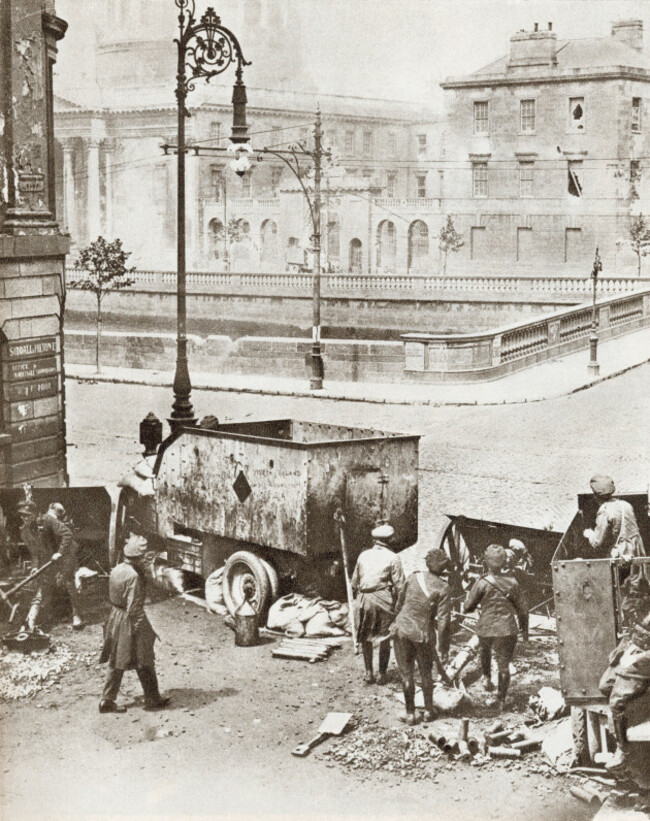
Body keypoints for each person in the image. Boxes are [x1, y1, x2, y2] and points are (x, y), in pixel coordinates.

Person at [99, 534, 170, 714]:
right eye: (147, 557)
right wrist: (144, 631)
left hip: (115, 616)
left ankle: (107, 700)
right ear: (139, 557)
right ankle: (152, 698)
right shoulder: (134, 577)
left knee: (117, 658)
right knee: (144, 657)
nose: (149, 560)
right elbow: (135, 608)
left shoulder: (117, 569)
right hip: (129, 619)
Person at [390, 548, 452, 725]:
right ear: (443, 567)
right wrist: (443, 648)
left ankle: (410, 714)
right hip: (422, 635)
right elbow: (444, 622)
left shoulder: (412, 577)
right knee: (426, 674)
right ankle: (429, 711)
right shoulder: (444, 588)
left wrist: (398, 622)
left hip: (402, 629)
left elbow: (399, 603)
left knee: (406, 674)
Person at [464, 544, 528, 710]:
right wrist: (525, 631)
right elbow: (523, 610)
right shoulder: (513, 583)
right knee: (504, 665)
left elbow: (468, 607)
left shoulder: (482, 583)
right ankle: (501, 699)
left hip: (486, 627)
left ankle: (486, 678)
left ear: (486, 562)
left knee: (484, 651)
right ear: (504, 562)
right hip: (507, 629)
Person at [584, 474, 650, 627]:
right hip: (637, 552)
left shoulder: (604, 510)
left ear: (596, 495)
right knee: (634, 590)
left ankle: (620, 623)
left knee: (618, 592)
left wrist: (589, 535)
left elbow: (598, 543)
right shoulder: (626, 505)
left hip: (621, 558)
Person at [351, 522, 405, 685]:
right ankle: (382, 674)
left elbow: (354, 582)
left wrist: (358, 600)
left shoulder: (363, 555)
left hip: (365, 599)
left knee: (365, 637)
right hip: (384, 600)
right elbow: (400, 586)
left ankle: (369, 673)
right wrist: (400, 606)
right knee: (384, 638)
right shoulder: (393, 557)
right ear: (388, 540)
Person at [599, 611, 650, 772]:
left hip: (645, 658)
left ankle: (623, 751)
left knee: (616, 701)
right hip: (636, 646)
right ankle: (633, 714)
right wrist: (626, 648)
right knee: (605, 686)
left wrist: (637, 658)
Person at [24, 502, 83, 631]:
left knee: (68, 583)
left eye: (26, 515)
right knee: (44, 585)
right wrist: (35, 566)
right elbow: (37, 549)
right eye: (23, 516)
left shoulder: (48, 520)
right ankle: (32, 621)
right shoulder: (29, 528)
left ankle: (76, 616)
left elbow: (67, 534)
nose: (24, 518)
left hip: (66, 556)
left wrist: (60, 553)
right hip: (51, 557)